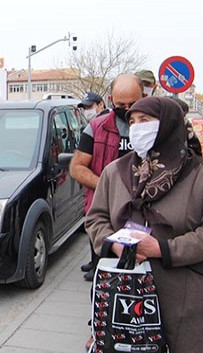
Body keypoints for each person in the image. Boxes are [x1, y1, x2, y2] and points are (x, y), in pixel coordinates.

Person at [85, 96, 203, 353]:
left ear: (167, 124)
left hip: (189, 290)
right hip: (127, 290)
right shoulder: (115, 171)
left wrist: (162, 248)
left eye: (146, 120)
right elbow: (96, 219)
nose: (137, 127)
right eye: (132, 121)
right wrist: (113, 243)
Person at [70, 74, 144, 281]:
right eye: (121, 104)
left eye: (133, 103)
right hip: (107, 212)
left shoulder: (155, 127)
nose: (127, 109)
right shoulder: (96, 127)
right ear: (111, 100)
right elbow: (77, 168)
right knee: (106, 276)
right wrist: (107, 186)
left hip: (145, 214)